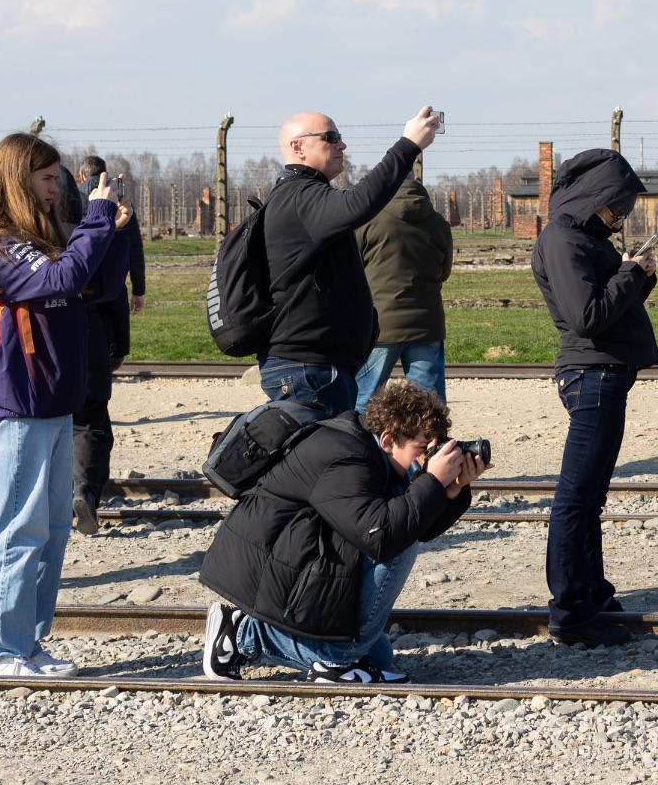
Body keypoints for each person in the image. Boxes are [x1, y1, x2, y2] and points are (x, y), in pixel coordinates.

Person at [197, 379, 488, 683]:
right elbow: (382, 536)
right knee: (399, 547)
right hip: (270, 569)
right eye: (421, 448)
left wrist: (450, 491)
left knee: (378, 659)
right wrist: (431, 482)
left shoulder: (376, 452)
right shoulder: (346, 456)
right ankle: (244, 634)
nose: (428, 457)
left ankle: (327, 654)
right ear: (388, 440)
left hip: (298, 559)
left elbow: (419, 525)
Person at [0, 133, 130, 677]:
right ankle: (1, 651)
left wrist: (113, 229)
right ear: (19, 179)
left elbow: (98, 286)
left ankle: (28, 643)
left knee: (52, 529)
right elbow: (62, 277)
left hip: (56, 397)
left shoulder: (41, 235)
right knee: (18, 528)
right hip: (22, 398)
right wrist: (96, 217)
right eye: (45, 178)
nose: (54, 188)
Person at [529, 149, 658, 648]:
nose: (619, 217)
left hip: (601, 372)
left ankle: (592, 592)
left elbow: (607, 307)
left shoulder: (580, 237)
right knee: (576, 497)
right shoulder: (563, 240)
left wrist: (636, 277)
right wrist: (627, 275)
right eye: (615, 207)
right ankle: (571, 610)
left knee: (590, 497)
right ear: (592, 197)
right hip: (591, 374)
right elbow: (587, 317)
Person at [257, 106, 443, 417]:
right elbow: (360, 203)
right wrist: (408, 145)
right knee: (325, 460)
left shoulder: (306, 196)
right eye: (330, 138)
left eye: (340, 137)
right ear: (297, 147)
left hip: (316, 365)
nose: (342, 145)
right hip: (307, 368)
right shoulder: (301, 198)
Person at [69, 155, 144, 537]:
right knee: (92, 423)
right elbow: (113, 291)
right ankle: (84, 491)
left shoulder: (39, 227)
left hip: (38, 341)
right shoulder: (109, 222)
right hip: (88, 332)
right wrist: (118, 348)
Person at [352, 174, 454, 407]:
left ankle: (361, 443)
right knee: (429, 406)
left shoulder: (369, 220)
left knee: (363, 402)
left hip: (379, 326)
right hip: (427, 324)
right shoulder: (438, 223)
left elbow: (352, 272)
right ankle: (430, 444)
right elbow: (444, 273)